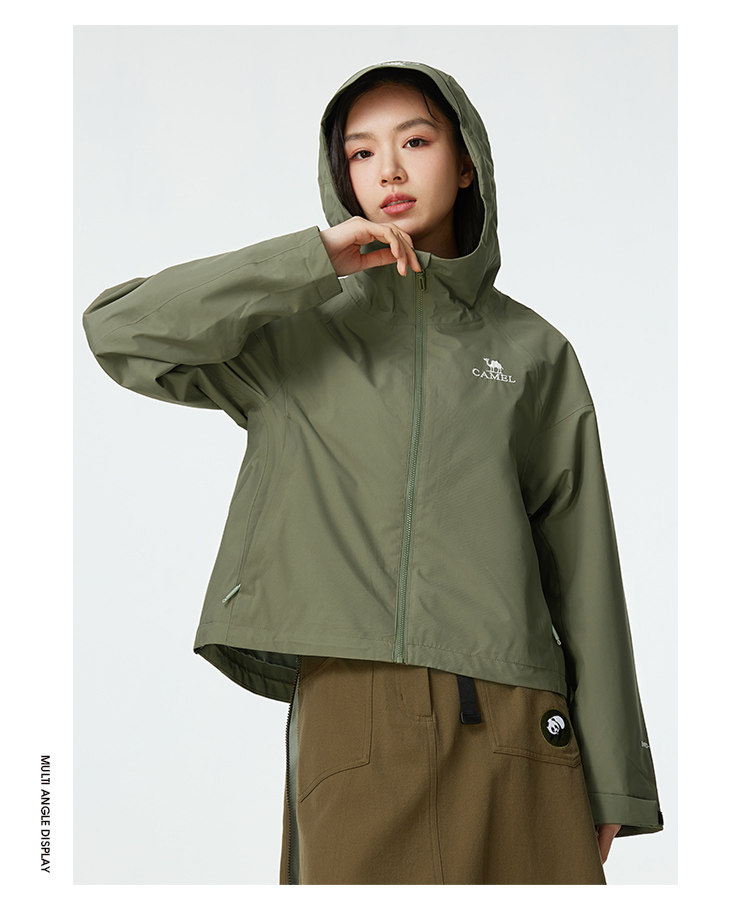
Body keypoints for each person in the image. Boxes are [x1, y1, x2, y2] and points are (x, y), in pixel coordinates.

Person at [82, 60, 663, 885]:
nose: (387, 171)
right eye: (361, 153)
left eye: (415, 142)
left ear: (466, 163)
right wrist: (308, 261)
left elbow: (584, 566)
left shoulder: (535, 353)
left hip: (519, 712)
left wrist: (615, 775)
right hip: (352, 710)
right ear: (341, 175)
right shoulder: (291, 332)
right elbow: (119, 331)